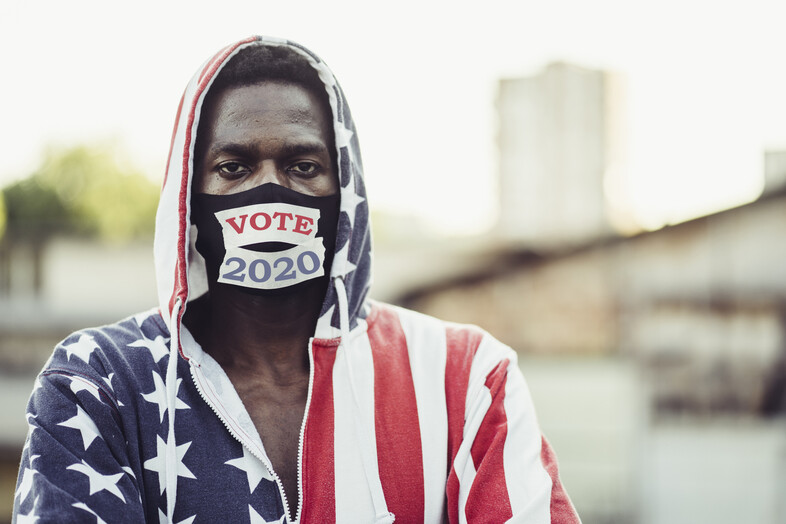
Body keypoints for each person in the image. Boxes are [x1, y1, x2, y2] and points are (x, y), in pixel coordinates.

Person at [13, 36, 580, 523]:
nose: (269, 193)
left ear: (345, 194)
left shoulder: (463, 379)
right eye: (233, 168)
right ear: (188, 198)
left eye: (302, 167)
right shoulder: (100, 384)